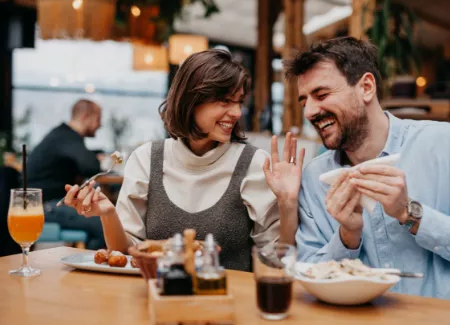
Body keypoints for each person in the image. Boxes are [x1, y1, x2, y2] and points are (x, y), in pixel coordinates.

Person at [60, 49, 305, 271]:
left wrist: (287, 203)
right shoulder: (147, 159)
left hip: (228, 303)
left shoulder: (253, 163)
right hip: (156, 300)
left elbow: (276, 259)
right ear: (191, 101)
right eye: (225, 101)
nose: (237, 113)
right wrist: (108, 214)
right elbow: (125, 253)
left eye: (239, 101)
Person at [267, 36, 450, 298]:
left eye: (321, 94)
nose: (309, 112)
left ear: (366, 87)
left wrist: (411, 214)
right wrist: (347, 237)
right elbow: (307, 273)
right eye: (304, 100)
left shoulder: (443, 144)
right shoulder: (313, 177)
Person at [28, 99, 105, 250]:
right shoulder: (68, 138)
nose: (100, 125)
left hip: (46, 203)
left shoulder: (61, 136)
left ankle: (86, 263)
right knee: (104, 224)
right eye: (97, 119)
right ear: (84, 117)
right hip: (46, 206)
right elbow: (91, 166)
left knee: (102, 219)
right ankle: (90, 269)